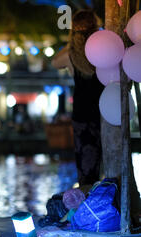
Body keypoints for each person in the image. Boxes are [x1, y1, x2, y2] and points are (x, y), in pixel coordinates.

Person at [52, 10, 104, 187]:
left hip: (82, 113)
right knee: (105, 161)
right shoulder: (103, 49)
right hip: (103, 111)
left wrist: (72, 42)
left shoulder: (71, 56)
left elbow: (54, 62)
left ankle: (87, 200)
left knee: (85, 165)